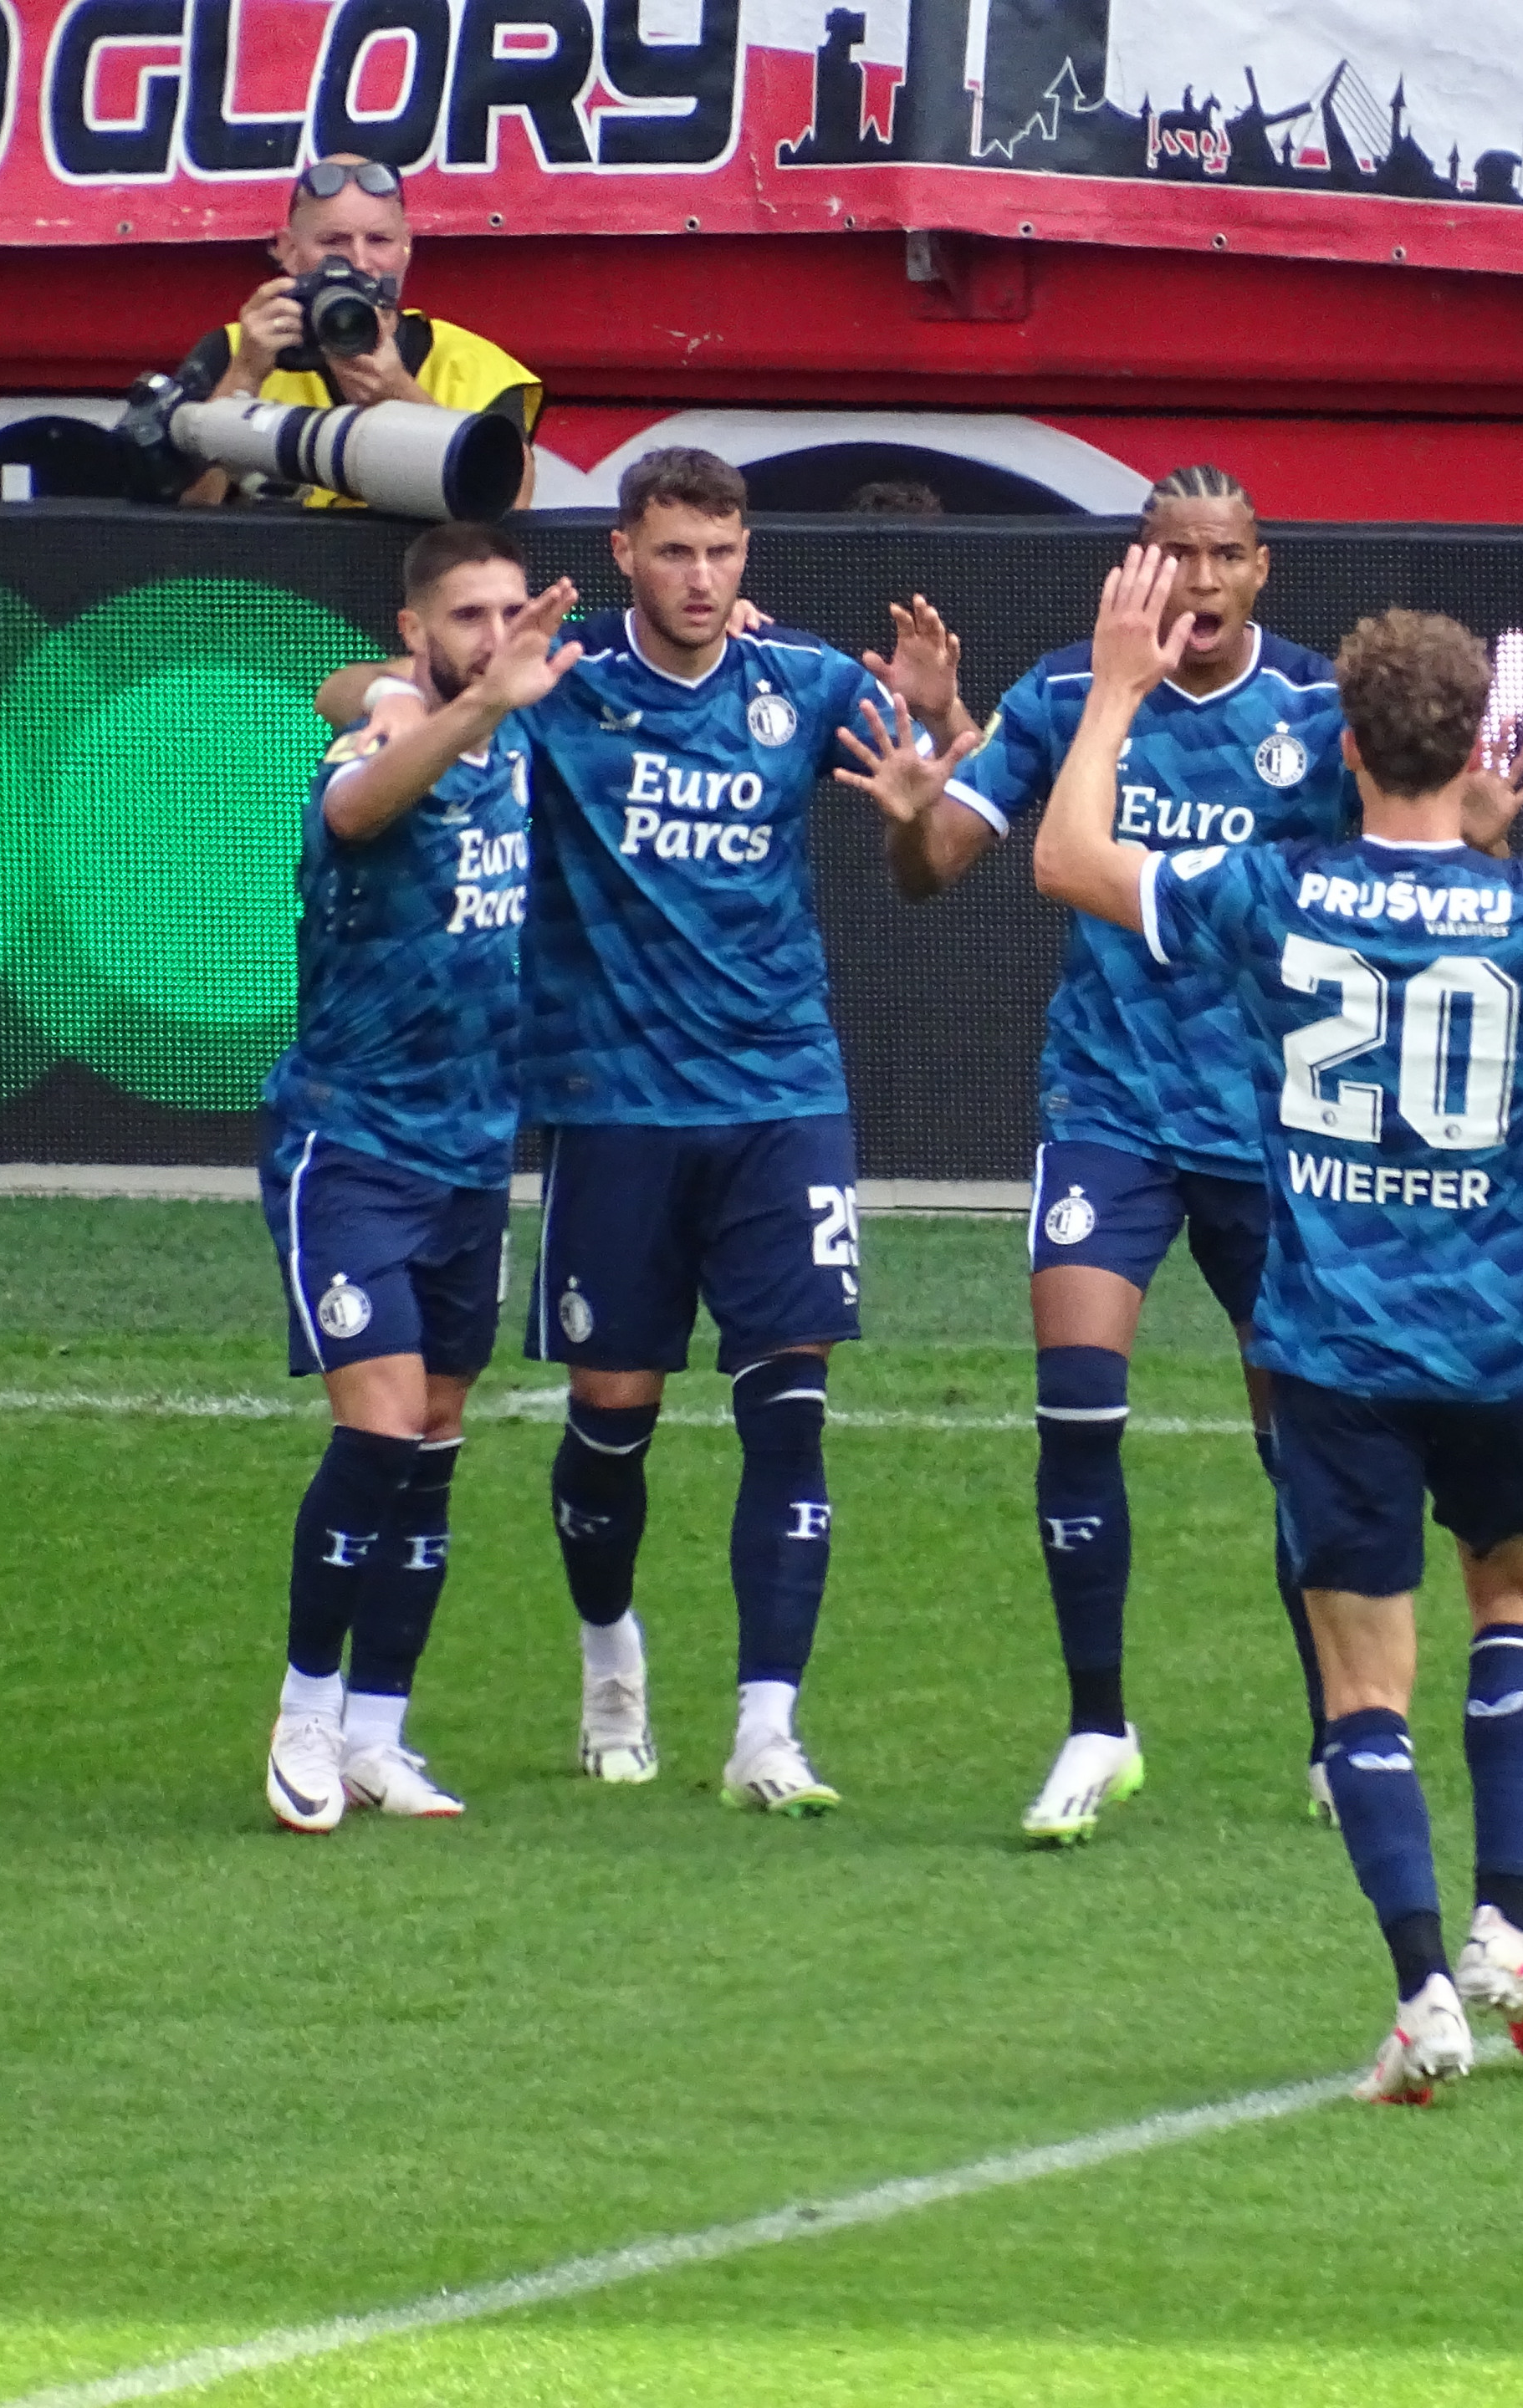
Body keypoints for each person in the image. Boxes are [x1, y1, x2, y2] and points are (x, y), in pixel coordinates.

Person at [1032, 562, 1523, 2101]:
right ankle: (1508, 1926)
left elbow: (1069, 856)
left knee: (1361, 1688)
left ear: (1344, 753)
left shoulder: (1274, 890)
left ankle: (1418, 1998)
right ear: (1478, 750)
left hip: (1334, 1349)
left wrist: (1118, 689)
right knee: (1512, 1599)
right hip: (1504, 1340)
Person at [838, 465, 1428, 1847]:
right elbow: (932, 873)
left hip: (1276, 1128)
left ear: (1262, 568)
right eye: (1178, 556)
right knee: (1077, 1406)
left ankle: (1340, 1739)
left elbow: (1416, 868)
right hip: (1109, 1109)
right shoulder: (1061, 699)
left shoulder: (1318, 716)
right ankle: (1098, 1729)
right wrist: (921, 791)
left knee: (1304, 1439)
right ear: (1136, 571)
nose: (1203, 583)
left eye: (1225, 556)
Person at [385, 446, 973, 1815]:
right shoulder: (564, 680)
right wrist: (428, 689)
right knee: (612, 1424)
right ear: (628, 551)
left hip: (781, 1098)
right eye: (674, 554)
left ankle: (769, 1729)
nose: (702, 581)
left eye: (722, 553)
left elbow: (925, 864)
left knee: (792, 1413)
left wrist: (932, 755)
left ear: (747, 552)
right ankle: (609, 1662)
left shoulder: (808, 684)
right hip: (613, 1107)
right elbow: (358, 696)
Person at [255, 524, 576, 1833]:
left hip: (472, 1156)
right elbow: (354, 800)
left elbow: (365, 677)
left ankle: (381, 1731)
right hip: (352, 1147)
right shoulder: (380, 750)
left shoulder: (530, 732)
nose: (494, 636)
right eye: (465, 617)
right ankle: (304, 1713)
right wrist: (440, 707)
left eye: (511, 612)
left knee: (437, 1444)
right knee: (378, 1432)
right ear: (417, 636)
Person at [173, 155, 543, 509]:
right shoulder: (236, 348)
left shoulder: (476, 367)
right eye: (333, 242)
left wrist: (399, 393)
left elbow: (511, 509)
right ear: (288, 250)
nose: (359, 262)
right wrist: (245, 374)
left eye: (378, 240)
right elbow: (185, 510)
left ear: (406, 247)